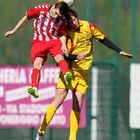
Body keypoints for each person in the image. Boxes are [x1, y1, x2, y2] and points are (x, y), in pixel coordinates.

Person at [35, 9, 133, 140]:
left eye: (74, 20)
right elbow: (61, 55)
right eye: (70, 22)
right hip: (68, 70)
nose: (73, 23)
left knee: (78, 103)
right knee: (59, 99)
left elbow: (103, 39)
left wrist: (119, 51)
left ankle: (72, 138)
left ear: (77, 18)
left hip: (83, 73)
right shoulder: (64, 33)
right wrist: (75, 57)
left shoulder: (88, 26)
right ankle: (41, 131)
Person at [4, 2, 73, 98]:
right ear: (54, 6)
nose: (56, 16)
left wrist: (63, 45)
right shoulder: (41, 9)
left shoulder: (61, 19)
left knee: (59, 57)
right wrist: (13, 31)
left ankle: (67, 75)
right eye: (56, 13)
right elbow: (26, 18)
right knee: (37, 63)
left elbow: (62, 33)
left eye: (59, 15)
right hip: (39, 41)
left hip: (53, 40)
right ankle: (34, 88)